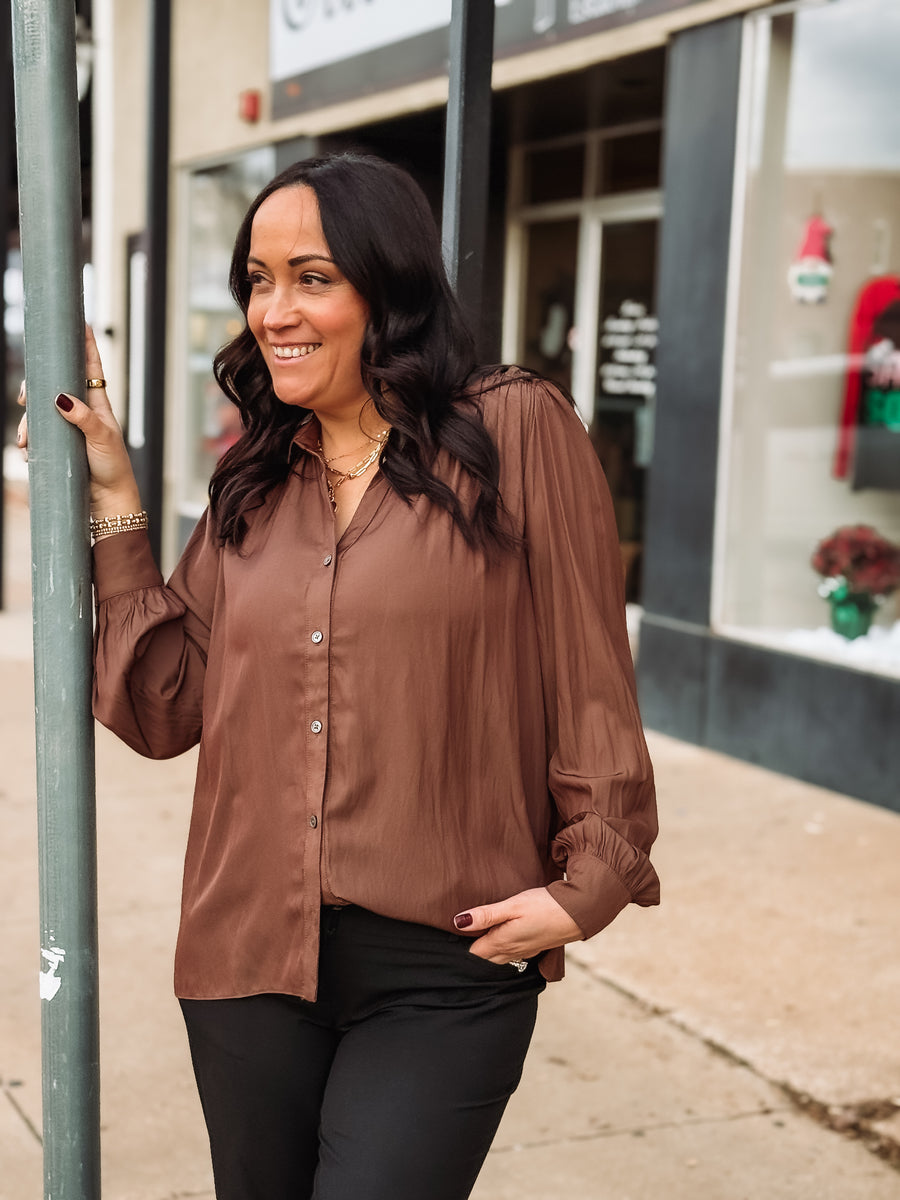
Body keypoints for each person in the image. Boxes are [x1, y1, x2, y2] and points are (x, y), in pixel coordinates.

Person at [25, 153, 659, 1200]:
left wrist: (586, 886)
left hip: (444, 970)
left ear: (388, 289)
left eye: (312, 277)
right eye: (259, 280)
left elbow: (592, 677)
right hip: (247, 963)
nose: (275, 309)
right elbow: (163, 703)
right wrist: (116, 497)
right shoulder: (254, 479)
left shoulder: (515, 430)